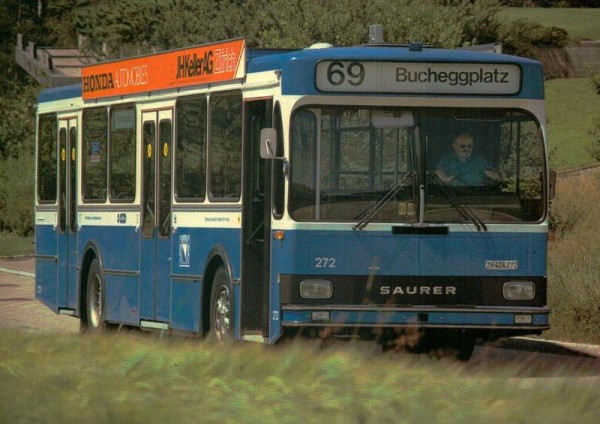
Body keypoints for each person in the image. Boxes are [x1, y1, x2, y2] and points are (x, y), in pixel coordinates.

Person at [435, 133, 500, 186]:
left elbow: (490, 172)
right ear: (454, 146)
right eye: (462, 146)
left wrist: (495, 175)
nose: (466, 149)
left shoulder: (479, 160)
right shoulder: (447, 159)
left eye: (469, 146)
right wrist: (445, 179)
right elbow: (439, 171)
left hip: (477, 196)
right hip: (452, 196)